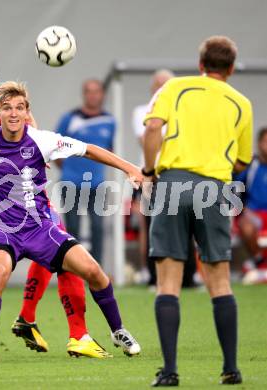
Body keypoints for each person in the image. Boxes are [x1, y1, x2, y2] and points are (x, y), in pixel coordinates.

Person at [0, 81, 142, 364]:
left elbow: (89, 149)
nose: (13, 113)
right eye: (7, 108)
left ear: (27, 112)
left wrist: (130, 168)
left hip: (40, 228)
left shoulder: (42, 140)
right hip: (1, 227)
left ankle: (118, 330)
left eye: (19, 108)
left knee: (93, 271)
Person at [0, 45, 108, 358]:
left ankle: (28, 318)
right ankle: (78, 335)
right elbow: (26, 124)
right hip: (19, 195)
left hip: (16, 191)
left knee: (52, 257)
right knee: (65, 258)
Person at [142, 36, 252, 386]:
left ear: (201, 63)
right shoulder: (242, 103)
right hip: (216, 189)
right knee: (219, 280)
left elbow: (153, 128)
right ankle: (231, 369)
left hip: (173, 183)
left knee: (168, 282)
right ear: (231, 69)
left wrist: (148, 171)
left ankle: (170, 371)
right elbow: (240, 161)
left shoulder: (175, 87)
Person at [56, 79, 115, 264]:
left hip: (97, 184)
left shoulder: (110, 121)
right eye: (89, 91)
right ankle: (75, 268)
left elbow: (109, 151)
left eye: (96, 91)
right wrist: (69, 169)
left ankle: (96, 270)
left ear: (102, 95)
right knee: (73, 229)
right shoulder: (70, 118)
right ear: (84, 94)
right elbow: (56, 148)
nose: (93, 95)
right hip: (71, 182)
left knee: (98, 227)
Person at [132, 70, 175, 285]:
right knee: (151, 227)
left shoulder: (180, 111)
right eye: (158, 84)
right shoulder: (142, 111)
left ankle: (188, 277)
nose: (162, 88)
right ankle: (152, 276)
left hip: (176, 174)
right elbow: (148, 140)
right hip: (149, 175)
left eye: (166, 84)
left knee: (182, 226)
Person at [235, 127, 267, 275]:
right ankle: (259, 261)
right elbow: (232, 188)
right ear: (259, 144)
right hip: (254, 214)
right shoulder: (250, 166)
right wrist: (241, 209)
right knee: (246, 225)